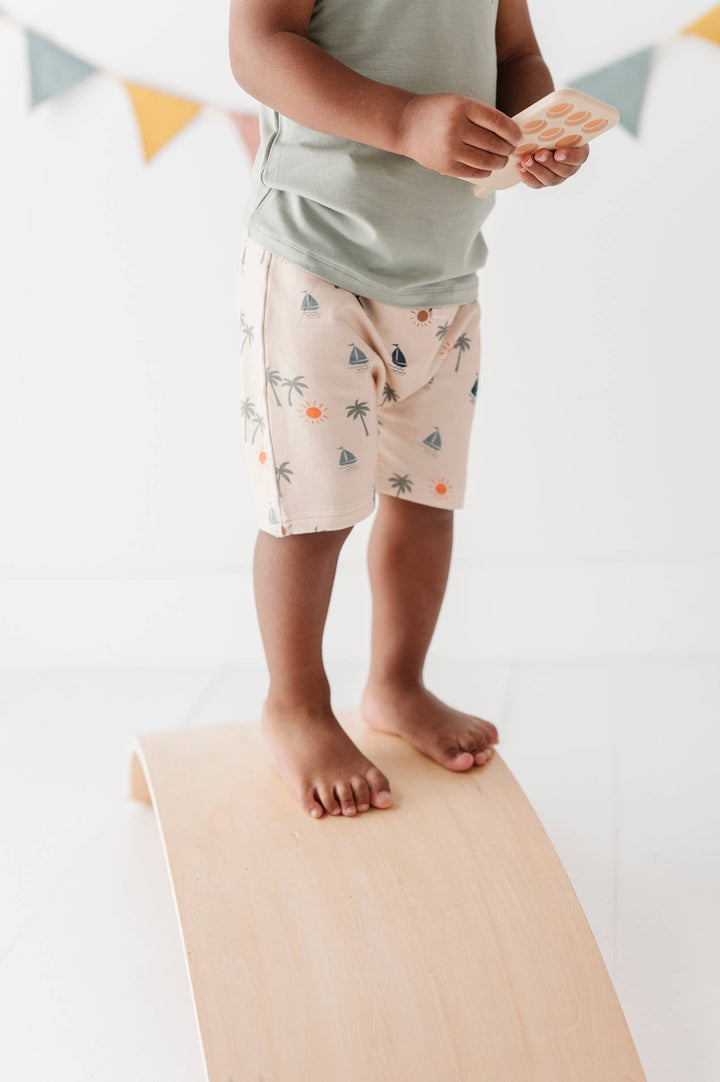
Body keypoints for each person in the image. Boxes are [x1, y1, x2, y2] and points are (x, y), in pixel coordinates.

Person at [227, 0, 589, 819]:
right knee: (311, 511)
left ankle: (396, 684)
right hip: (316, 260)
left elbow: (517, 52)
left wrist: (537, 128)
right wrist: (402, 121)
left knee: (426, 500)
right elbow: (256, 47)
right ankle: (295, 704)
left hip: (442, 280)